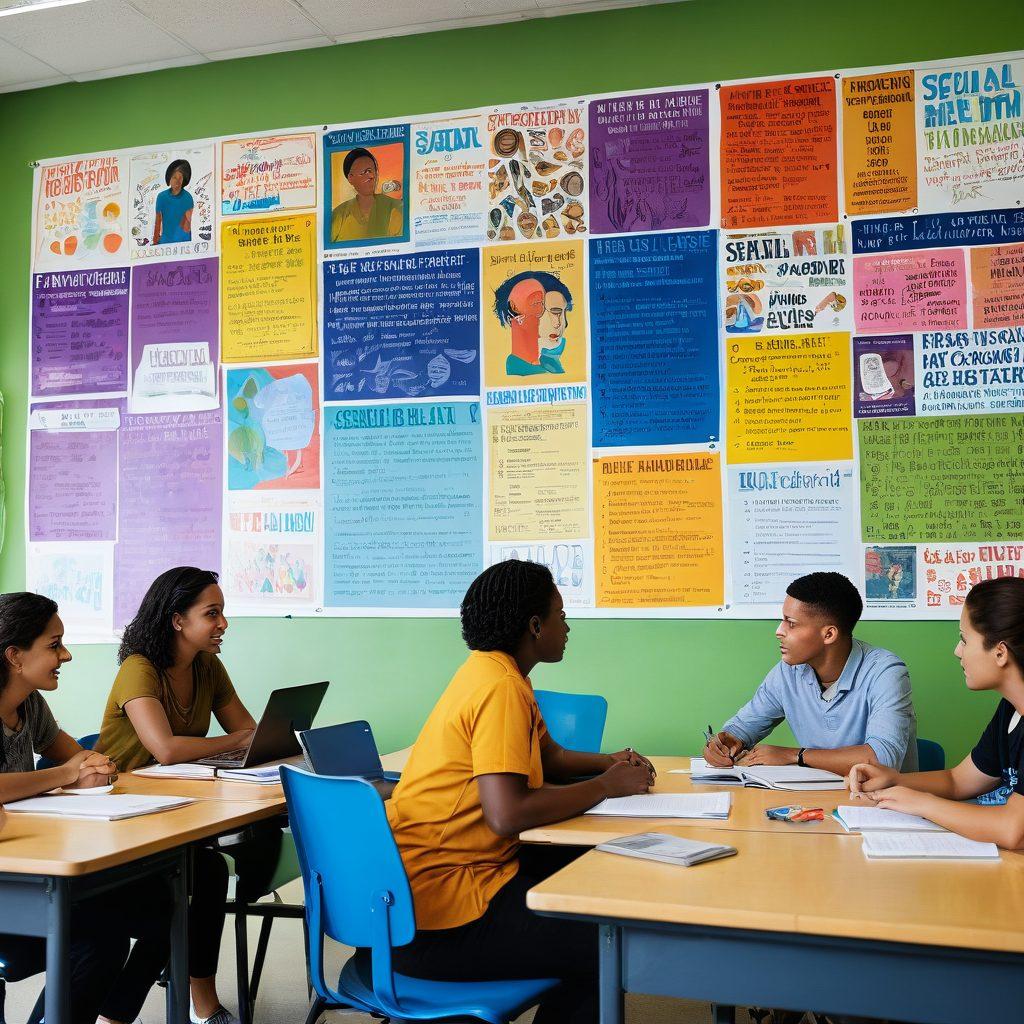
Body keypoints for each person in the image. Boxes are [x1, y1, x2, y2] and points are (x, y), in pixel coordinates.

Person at [386, 560, 655, 1024]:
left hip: (413, 893)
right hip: (438, 915)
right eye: (560, 616)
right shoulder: (501, 687)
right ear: (535, 626)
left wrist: (607, 761)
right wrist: (605, 786)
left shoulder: (493, 672)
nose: (567, 627)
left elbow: (549, 757)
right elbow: (507, 814)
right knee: (603, 944)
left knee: (586, 870)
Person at [98, 567, 281, 1024]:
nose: (223, 624)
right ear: (178, 620)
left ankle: (201, 1003)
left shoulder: (207, 666)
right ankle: (162, 1009)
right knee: (193, 884)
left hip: (176, 807)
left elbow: (250, 733)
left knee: (210, 873)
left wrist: (246, 740)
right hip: (120, 816)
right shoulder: (138, 669)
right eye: (212, 614)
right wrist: (235, 741)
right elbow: (165, 748)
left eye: (222, 613)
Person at [0, 591, 172, 1024]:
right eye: (54, 645)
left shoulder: (30, 705)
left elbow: (80, 757)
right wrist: (65, 774)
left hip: (34, 867)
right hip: (11, 884)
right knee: (99, 942)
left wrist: (96, 766)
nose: (66, 654)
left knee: (166, 901)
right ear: (15, 656)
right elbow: (65, 768)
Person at [849, 576, 1024, 848]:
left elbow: (1014, 830)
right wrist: (895, 780)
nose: (957, 651)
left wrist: (922, 803)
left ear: (1000, 653)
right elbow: (958, 781)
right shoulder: (1011, 709)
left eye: (964, 640)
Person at [704, 572, 918, 775]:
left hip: (883, 798)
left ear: (829, 634)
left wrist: (794, 755)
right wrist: (724, 743)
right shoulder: (788, 671)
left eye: (791, 623)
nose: (779, 631)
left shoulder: (885, 672)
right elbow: (742, 729)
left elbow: (883, 759)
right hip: (816, 794)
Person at [494, 271, 572, 376]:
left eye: (564, 313)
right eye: (555, 312)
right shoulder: (519, 367)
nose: (563, 323)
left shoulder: (553, 361)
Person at [329, 147, 403, 243]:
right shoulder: (339, 214)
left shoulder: (394, 207)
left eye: (373, 171)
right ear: (350, 178)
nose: (371, 176)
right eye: (365, 172)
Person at [153, 159, 194, 244]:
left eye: (180, 178)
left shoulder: (187, 197)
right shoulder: (162, 197)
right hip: (165, 242)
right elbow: (158, 221)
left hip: (183, 242)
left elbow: (187, 226)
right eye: (174, 177)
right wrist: (155, 241)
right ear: (169, 178)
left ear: (183, 179)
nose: (177, 181)